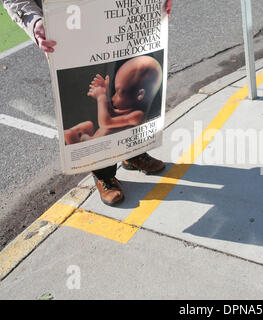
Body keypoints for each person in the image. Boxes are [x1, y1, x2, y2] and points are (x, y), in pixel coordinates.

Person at [3, 0, 174, 206]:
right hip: (72, 25)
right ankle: (103, 173)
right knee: (90, 94)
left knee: (128, 79)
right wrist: (34, 21)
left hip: (120, 15)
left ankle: (133, 151)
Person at [64, 56, 163, 144]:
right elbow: (111, 114)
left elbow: (105, 122)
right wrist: (105, 93)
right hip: (93, 139)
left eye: (119, 93)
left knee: (69, 134)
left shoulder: (138, 116)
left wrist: (101, 97)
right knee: (88, 125)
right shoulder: (129, 111)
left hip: (97, 146)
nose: (113, 98)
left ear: (140, 94)